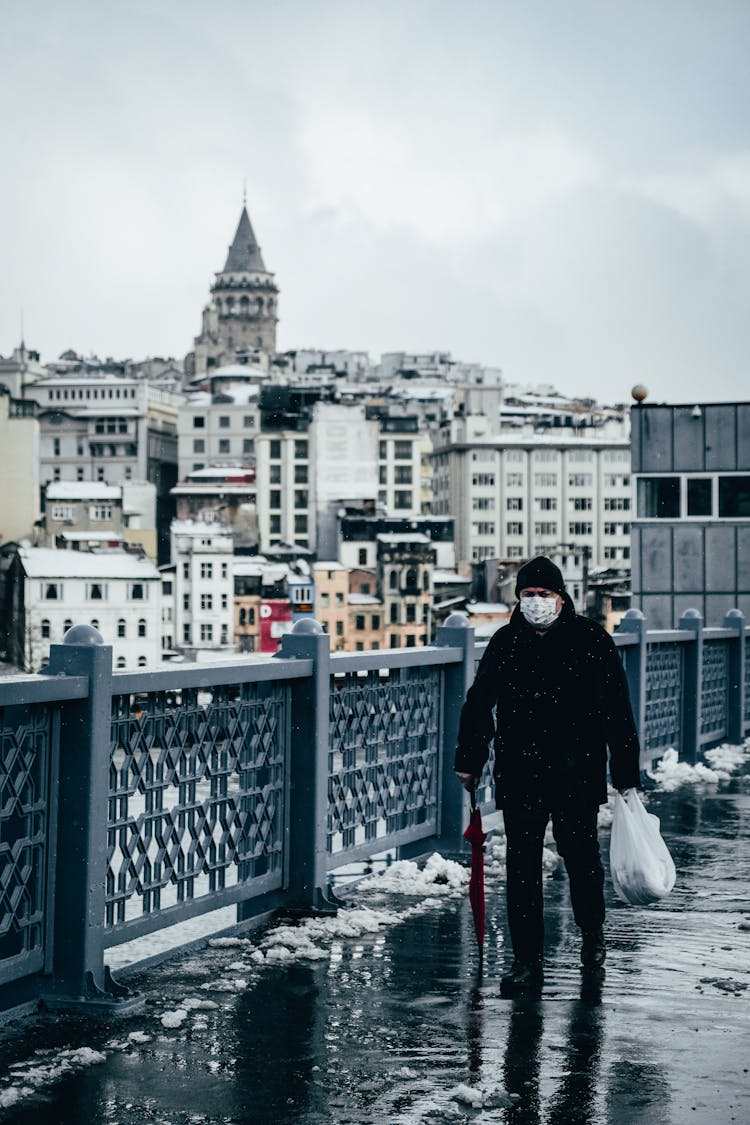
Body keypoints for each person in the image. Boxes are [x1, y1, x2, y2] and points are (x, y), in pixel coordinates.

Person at [454, 556, 641, 995]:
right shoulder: (506, 642)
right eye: (528, 595)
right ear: (519, 599)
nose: (536, 602)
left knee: (581, 860)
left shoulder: (592, 640)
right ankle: (526, 960)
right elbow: (480, 703)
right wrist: (470, 759)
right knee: (521, 868)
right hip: (521, 770)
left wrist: (626, 772)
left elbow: (617, 709)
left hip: (577, 770)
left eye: (544, 594)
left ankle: (592, 936)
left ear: (561, 597)